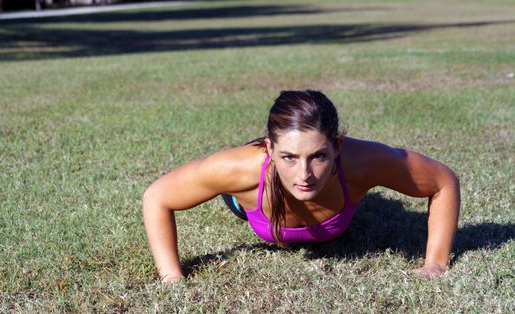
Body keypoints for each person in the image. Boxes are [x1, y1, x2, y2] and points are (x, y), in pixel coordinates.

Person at [142, 90, 460, 283]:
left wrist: (435, 262)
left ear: (337, 145)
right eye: (289, 157)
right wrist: (172, 278)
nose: (304, 174)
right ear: (269, 150)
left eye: (318, 156)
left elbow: (443, 182)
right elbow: (157, 197)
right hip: (249, 196)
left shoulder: (364, 161)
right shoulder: (239, 171)